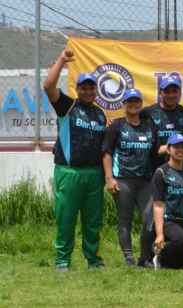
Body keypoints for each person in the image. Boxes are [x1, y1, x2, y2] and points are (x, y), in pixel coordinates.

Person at [44, 49, 107, 272]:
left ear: (96, 91)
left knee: (93, 222)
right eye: (84, 88)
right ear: (77, 90)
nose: (88, 91)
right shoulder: (68, 107)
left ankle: (94, 260)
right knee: (67, 219)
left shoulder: (100, 114)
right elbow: (49, 87)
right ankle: (63, 261)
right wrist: (61, 60)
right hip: (69, 173)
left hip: (94, 174)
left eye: (92, 88)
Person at [102, 89, 159, 269]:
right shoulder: (116, 125)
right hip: (123, 180)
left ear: (141, 104)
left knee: (149, 220)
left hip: (145, 181)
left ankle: (143, 259)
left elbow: (157, 152)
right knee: (125, 220)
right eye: (129, 101)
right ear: (123, 104)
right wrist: (109, 178)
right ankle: (129, 260)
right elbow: (106, 153)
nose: (133, 104)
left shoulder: (150, 125)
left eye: (136, 101)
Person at [151, 134, 183, 270]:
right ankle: (159, 256)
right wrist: (160, 233)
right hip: (169, 221)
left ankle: (167, 256)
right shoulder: (161, 173)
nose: (180, 150)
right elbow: (158, 205)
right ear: (168, 150)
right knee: (182, 240)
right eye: (176, 147)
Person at [140, 76, 183, 168]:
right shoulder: (147, 112)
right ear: (160, 93)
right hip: (153, 167)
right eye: (167, 91)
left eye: (174, 91)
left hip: (178, 167)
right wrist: (114, 121)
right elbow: (131, 123)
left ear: (179, 93)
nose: (171, 95)